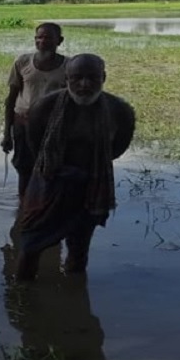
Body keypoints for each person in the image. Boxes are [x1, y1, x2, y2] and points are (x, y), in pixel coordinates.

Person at [17, 54, 135, 279]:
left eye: (92, 78)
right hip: (49, 185)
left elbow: (118, 148)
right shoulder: (45, 107)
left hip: (90, 188)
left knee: (79, 249)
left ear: (104, 78)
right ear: (66, 79)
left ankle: (74, 294)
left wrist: (87, 169)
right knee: (31, 245)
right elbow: (36, 148)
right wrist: (58, 171)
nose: (84, 84)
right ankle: (22, 300)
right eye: (77, 78)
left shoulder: (119, 111)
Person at [1, 22, 68, 200]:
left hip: (53, 128)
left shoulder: (68, 66)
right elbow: (11, 99)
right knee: (24, 168)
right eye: (39, 37)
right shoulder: (22, 62)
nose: (42, 41)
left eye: (48, 37)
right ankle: (24, 207)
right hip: (23, 124)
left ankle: (46, 206)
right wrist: (7, 133)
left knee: (52, 167)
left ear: (59, 41)